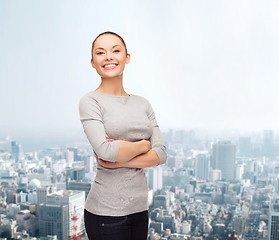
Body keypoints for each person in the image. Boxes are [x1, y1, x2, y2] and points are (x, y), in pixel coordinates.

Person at [79, 31, 167, 240]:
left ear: (127, 57)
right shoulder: (90, 101)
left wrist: (120, 161)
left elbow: (161, 154)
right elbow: (106, 151)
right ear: (93, 62)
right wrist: (144, 145)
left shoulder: (143, 103)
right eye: (101, 53)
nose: (109, 57)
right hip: (105, 213)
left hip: (139, 209)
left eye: (115, 50)